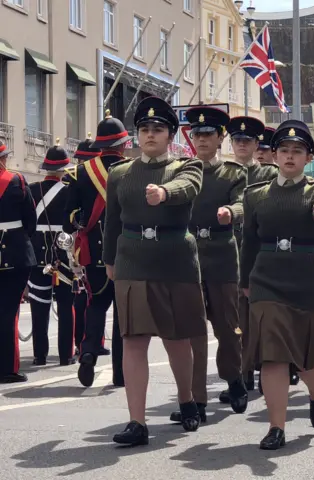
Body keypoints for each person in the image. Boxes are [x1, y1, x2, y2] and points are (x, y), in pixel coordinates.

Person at [103, 96, 206, 445]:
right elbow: (111, 221)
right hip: (132, 259)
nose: (150, 135)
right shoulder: (119, 174)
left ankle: (187, 399)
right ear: (137, 134)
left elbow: (188, 189)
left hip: (174, 260)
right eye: (144, 129)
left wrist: (163, 192)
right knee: (133, 340)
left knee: (177, 340)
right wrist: (108, 260)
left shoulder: (187, 166)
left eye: (158, 129)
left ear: (170, 134)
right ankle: (137, 422)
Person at [240, 120, 314, 449]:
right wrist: (244, 281)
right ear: (275, 155)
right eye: (284, 150)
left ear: (309, 158)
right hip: (266, 279)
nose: (290, 157)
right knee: (273, 355)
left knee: (311, 359)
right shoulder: (256, 195)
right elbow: (249, 242)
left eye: (298, 151)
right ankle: (276, 427)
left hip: (307, 279)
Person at [168, 105, 248, 424]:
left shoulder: (233, 172)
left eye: (208, 134)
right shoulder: (180, 171)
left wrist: (233, 212)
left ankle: (234, 378)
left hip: (222, 255)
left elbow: (244, 201)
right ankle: (196, 399)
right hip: (188, 256)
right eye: (196, 134)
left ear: (220, 138)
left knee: (228, 328)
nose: (201, 139)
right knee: (192, 331)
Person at [65, 110, 128, 388]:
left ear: (99, 145)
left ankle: (89, 351)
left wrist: (82, 222)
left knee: (96, 305)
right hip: (127, 252)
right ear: (124, 144)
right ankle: (120, 373)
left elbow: (70, 219)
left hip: (95, 251)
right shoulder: (132, 170)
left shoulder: (79, 172)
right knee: (123, 314)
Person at [227, 116, 279, 391]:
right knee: (236, 319)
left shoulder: (268, 174)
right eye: (237, 140)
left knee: (265, 316)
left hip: (262, 253)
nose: (242, 145)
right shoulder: (224, 172)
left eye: (247, 141)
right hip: (230, 253)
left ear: (257, 144)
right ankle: (243, 371)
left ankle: (268, 367)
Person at [27, 140, 75, 366]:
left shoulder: (32, 189)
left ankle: (39, 355)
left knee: (39, 306)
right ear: (65, 168)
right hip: (63, 256)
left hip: (38, 255)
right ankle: (66, 355)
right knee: (66, 306)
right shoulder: (70, 191)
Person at [0, 140, 37, 383]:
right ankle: (7, 368)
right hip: (14, 253)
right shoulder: (17, 181)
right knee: (8, 312)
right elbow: (30, 220)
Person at [70, 134, 101, 351]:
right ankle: (87, 343)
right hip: (81, 243)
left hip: (84, 243)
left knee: (91, 298)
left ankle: (88, 344)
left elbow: (69, 218)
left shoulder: (77, 177)